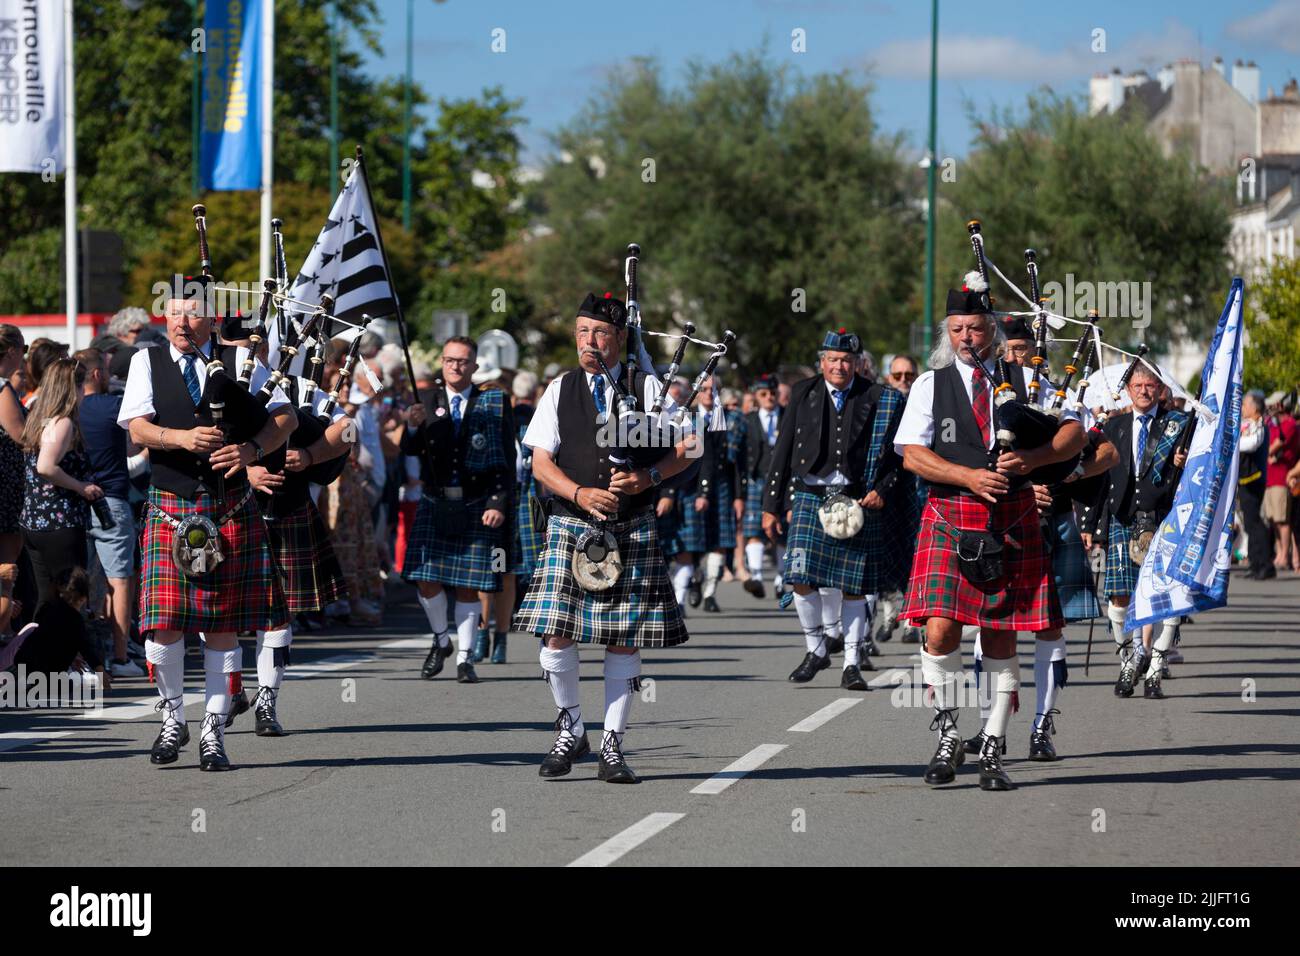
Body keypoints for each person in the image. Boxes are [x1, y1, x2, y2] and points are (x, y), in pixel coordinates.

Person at [894, 275, 1085, 791]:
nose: (966, 338)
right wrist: (968, 476)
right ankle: (950, 734)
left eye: (975, 328)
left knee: (1000, 635)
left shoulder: (1026, 379)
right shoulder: (931, 385)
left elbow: (1074, 432)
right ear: (947, 333)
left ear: (992, 330)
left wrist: (1034, 458)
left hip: (1013, 515)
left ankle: (994, 746)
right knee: (939, 630)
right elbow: (913, 453)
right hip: (952, 514)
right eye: (957, 329)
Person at [514, 291, 699, 783]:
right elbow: (540, 462)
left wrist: (649, 478)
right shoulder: (561, 388)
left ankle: (613, 745)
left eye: (598, 332)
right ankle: (571, 727)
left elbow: (691, 445)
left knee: (622, 637)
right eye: (581, 332)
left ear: (620, 337)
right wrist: (578, 493)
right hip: (572, 523)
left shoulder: (649, 386)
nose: (588, 341)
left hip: (632, 525)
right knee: (556, 631)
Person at [118, 276, 295, 771]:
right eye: (172, 313)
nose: (180, 322)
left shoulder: (239, 361)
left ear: (211, 321)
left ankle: (214, 732)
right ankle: (173, 717)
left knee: (221, 630)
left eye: (191, 314)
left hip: (229, 508)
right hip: (170, 507)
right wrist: (177, 437)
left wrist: (252, 449)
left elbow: (286, 418)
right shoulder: (145, 361)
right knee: (161, 629)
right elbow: (135, 426)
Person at [964, 318, 1118, 761]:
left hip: (1053, 523)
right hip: (998, 523)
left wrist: (1061, 470)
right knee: (990, 621)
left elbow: (1106, 452)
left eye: (1021, 349)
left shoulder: (1056, 396)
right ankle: (989, 724)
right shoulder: (983, 397)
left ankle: (1040, 727)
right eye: (1007, 349)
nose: (1013, 356)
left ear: (1036, 353)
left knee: (1050, 624)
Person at [762, 328, 909, 690]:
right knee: (798, 578)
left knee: (854, 588)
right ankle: (817, 649)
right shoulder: (803, 392)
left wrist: (882, 489)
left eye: (846, 360)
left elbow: (899, 454)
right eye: (832, 359)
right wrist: (771, 506)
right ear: (822, 362)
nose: (839, 366)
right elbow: (781, 449)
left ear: (857, 363)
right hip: (812, 496)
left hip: (857, 499)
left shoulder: (879, 397)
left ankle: (853, 663)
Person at [240, 350, 353, 736]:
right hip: (231, 513)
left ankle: (267, 701)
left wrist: (309, 454)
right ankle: (234, 686)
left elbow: (348, 430)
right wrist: (249, 470)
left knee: (277, 612)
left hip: (287, 513)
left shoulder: (306, 392)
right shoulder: (227, 388)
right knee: (216, 611)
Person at [402, 336, 515, 685]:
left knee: (468, 586)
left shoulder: (493, 402)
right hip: (435, 499)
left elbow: (506, 459)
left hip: (476, 502)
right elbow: (409, 449)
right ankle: (441, 640)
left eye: (463, 361)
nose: (455, 366)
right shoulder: (425, 400)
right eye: (450, 360)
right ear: (441, 361)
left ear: (475, 366)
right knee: (425, 577)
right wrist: (411, 425)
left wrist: (498, 502)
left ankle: (466, 659)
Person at [1086, 362, 1191, 700]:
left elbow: (1197, 468)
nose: (1145, 391)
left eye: (1151, 385)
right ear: (1128, 389)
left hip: (1165, 519)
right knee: (1119, 599)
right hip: (1122, 517)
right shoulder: (1113, 426)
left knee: (1166, 596)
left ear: (1160, 389)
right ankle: (1129, 661)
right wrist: (1092, 525)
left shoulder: (1180, 425)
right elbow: (1100, 479)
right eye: (1138, 385)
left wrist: (1183, 460)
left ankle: (1156, 669)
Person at [74, 346, 143, 679]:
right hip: (112, 500)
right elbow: (136, 442)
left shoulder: (69, 411)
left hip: (74, 501)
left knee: (82, 581)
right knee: (119, 579)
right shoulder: (114, 407)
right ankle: (119, 655)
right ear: (97, 374)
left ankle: (83, 657)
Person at [20, 358, 99, 611]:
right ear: (72, 388)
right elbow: (46, 466)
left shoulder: (39, 418)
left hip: (34, 520)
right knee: (72, 598)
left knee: (48, 600)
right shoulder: (63, 422)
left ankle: (42, 648)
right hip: (59, 522)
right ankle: (73, 649)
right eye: (82, 386)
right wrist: (80, 486)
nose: (85, 393)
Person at [679, 375, 740, 613]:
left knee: (720, 542)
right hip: (691, 485)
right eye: (704, 389)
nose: (708, 393)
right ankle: (695, 578)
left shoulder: (729, 418)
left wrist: (739, 496)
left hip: (722, 485)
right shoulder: (686, 416)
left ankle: (710, 593)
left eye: (714, 390)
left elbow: (738, 462)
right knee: (693, 543)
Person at [735, 373, 785, 600]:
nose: (769, 398)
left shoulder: (787, 416)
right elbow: (739, 457)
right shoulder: (748, 420)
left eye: (773, 393)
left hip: (783, 481)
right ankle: (755, 575)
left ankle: (781, 578)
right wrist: (740, 493)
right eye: (764, 394)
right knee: (754, 529)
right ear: (756, 396)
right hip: (756, 480)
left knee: (782, 531)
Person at [0, 325, 28, 637]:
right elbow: (20, 435)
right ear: (11, 352)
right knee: (7, 567)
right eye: (23, 349)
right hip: (6, 487)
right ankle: (4, 635)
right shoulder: (2, 388)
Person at [1264, 392, 1298, 572]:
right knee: (1274, 520)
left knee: (1283, 520)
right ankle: (1279, 553)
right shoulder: (1274, 425)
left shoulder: (1289, 424)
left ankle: (1285, 554)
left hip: (1282, 477)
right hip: (1271, 477)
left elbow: (1275, 446)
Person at [1237, 392, 1270, 579]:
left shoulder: (1260, 425)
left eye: (1245, 405)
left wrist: (1233, 442)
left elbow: (1251, 444)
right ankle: (1255, 563)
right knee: (1249, 523)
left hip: (1254, 479)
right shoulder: (1248, 424)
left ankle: (1265, 563)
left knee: (1255, 523)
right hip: (1245, 479)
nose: (1243, 408)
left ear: (1255, 407)